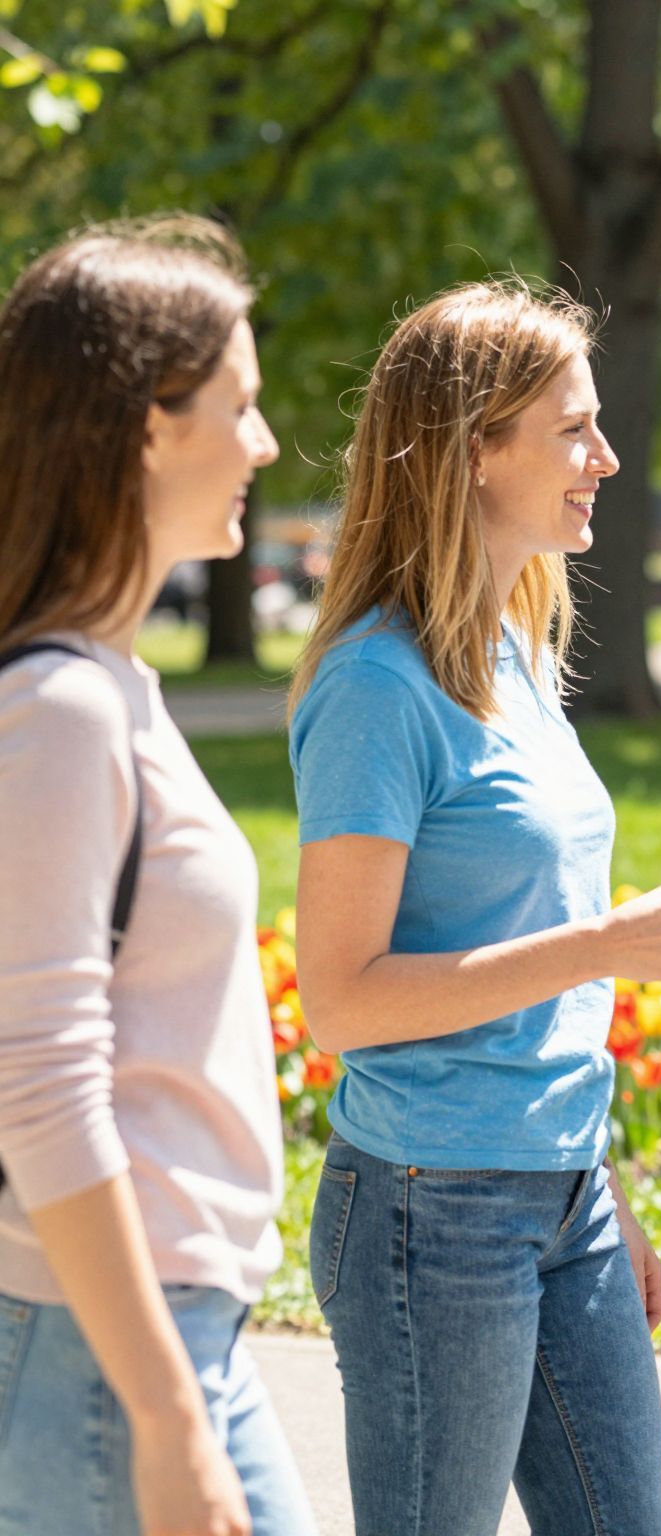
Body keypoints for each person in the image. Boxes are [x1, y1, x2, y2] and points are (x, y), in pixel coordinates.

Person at [288, 282, 661, 1535]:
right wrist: (608, 944)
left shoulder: (514, 653)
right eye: (572, 430)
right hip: (429, 1204)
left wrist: (595, 1182)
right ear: (473, 450)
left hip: (562, 1192)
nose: (605, 457)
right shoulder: (376, 686)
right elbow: (341, 1000)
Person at [0, 217, 312, 1536]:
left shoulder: (110, 686)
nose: (266, 443)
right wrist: (165, 1414)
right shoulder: (61, 711)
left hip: (154, 1342)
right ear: (145, 429)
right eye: (238, 406)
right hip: (111, 1357)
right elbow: (40, 1086)